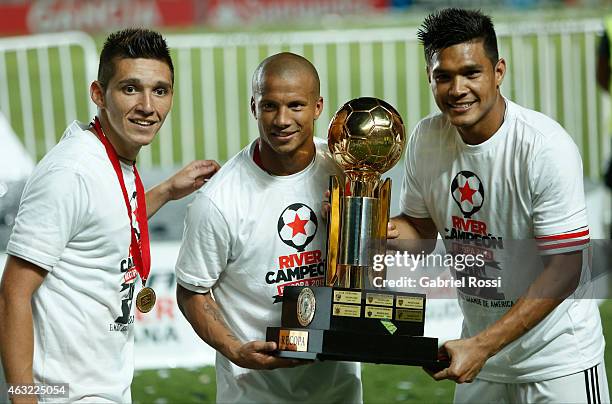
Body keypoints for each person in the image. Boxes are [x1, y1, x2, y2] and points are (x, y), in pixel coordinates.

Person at [390, 8, 609, 403]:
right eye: (443, 76)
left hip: (558, 363)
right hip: (483, 360)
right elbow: (420, 231)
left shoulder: (544, 148)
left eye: (471, 73)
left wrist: (482, 346)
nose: (457, 89)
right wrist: (366, 225)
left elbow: (565, 268)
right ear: (430, 78)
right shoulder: (426, 138)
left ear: (498, 71)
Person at [0, 28, 219, 402]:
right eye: (130, 88)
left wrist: (165, 191)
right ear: (98, 94)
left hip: (103, 386)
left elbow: (105, 222)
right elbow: (12, 293)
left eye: (160, 90)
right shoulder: (69, 173)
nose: (148, 106)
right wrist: (24, 397)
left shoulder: (114, 158)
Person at [175, 52, 362, 403]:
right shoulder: (218, 200)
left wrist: (356, 229)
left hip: (338, 390)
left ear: (318, 106)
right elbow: (191, 290)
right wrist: (234, 350)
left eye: (295, 105)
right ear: (253, 107)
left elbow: (371, 272)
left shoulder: (345, 173)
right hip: (255, 393)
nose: (282, 119)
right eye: (270, 106)